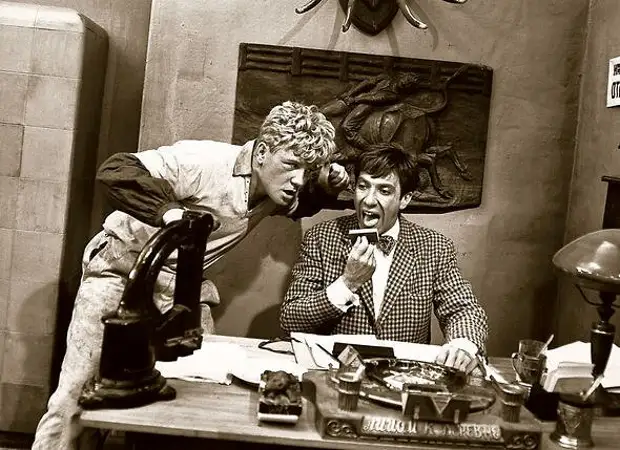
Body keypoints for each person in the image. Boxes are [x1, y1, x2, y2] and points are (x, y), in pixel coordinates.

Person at [32, 101, 349, 450]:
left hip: (183, 287)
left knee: (198, 389)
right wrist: (168, 212)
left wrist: (327, 186)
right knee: (78, 396)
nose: (298, 180)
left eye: (307, 170)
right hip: (123, 271)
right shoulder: (203, 162)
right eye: (291, 165)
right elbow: (115, 170)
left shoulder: (279, 189)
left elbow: (303, 203)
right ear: (261, 153)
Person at [280, 142, 488, 373]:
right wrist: (347, 284)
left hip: (404, 379)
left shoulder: (435, 247)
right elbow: (291, 318)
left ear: (405, 199)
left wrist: (463, 346)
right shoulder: (321, 238)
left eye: (384, 191)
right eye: (363, 186)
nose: (369, 200)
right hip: (335, 376)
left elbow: (463, 309)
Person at [321, 72, 421, 152]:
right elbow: (367, 83)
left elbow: (374, 98)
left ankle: (366, 148)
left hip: (366, 105)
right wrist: (350, 94)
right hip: (357, 98)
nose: (405, 83)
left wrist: (354, 100)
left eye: (409, 84)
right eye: (406, 79)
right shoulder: (385, 78)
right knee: (327, 109)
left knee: (347, 127)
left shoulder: (394, 96)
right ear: (402, 76)